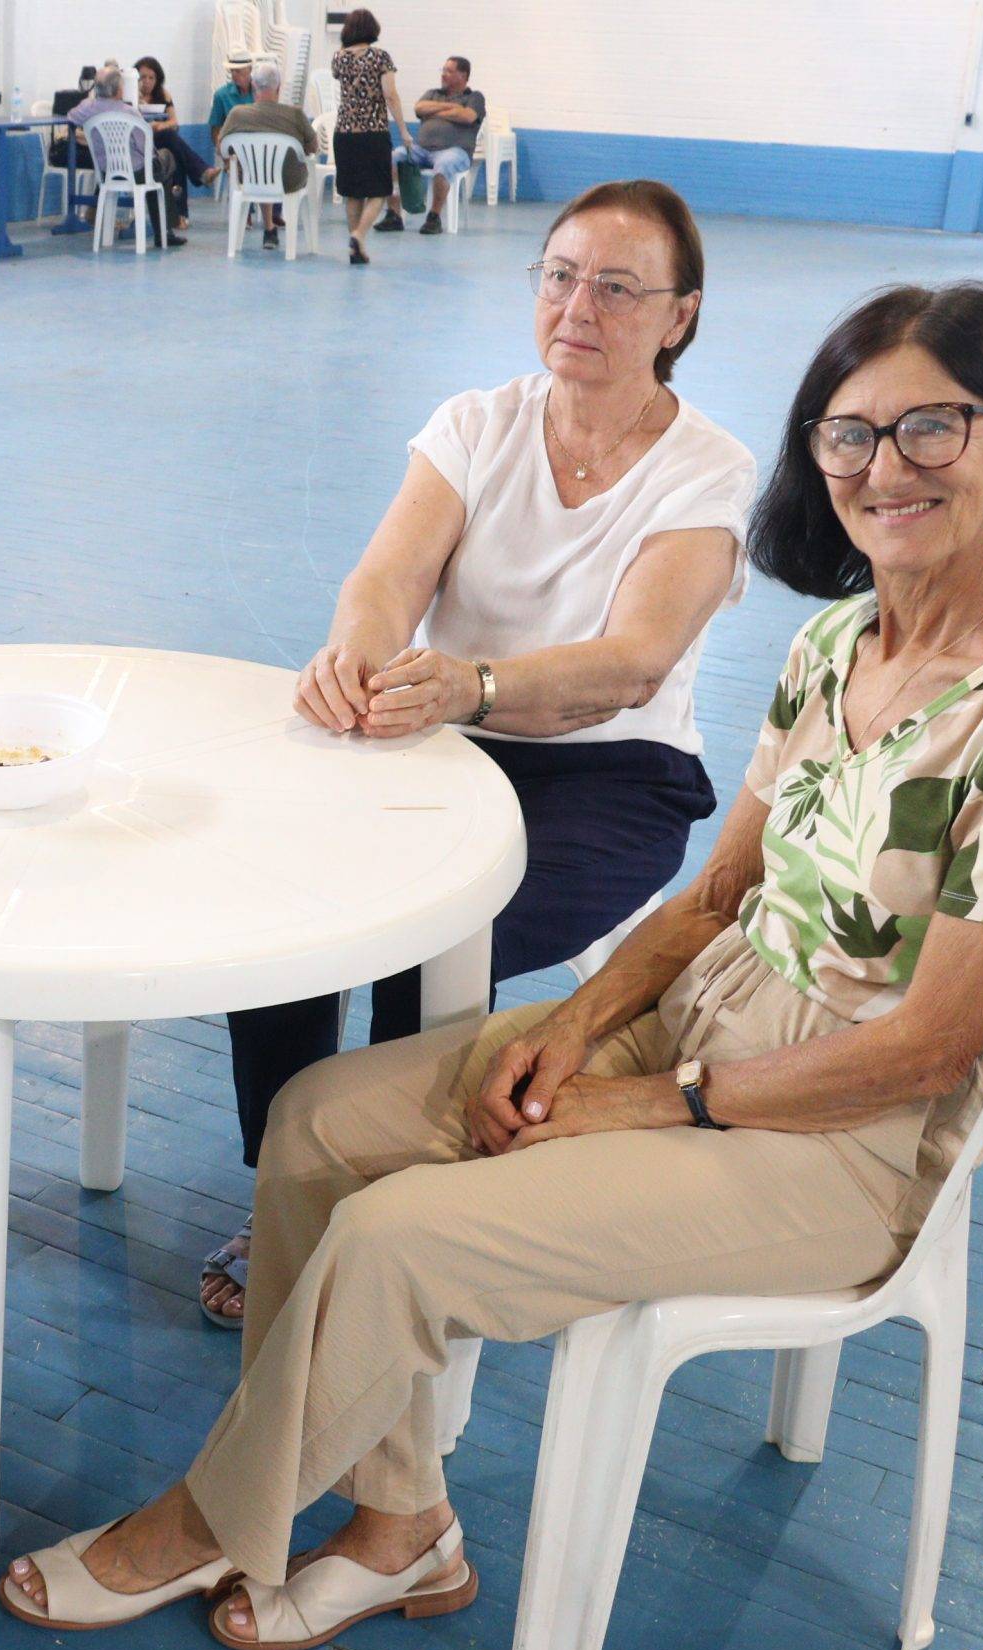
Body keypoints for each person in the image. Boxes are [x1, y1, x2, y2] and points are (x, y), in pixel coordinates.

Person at [1, 278, 983, 1650]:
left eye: (931, 430)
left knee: (394, 1233)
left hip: (842, 1131)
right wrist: (580, 1025)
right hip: (702, 1019)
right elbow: (722, 889)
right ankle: (400, 1523)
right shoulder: (839, 641)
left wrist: (646, 1099)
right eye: (849, 435)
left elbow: (928, 1049)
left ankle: (201, 1518)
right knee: (318, 1122)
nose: (885, 470)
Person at [202, 181, 755, 1328]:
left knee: (433, 938)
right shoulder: (477, 423)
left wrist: (477, 686)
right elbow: (386, 578)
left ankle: (400, 1196)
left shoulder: (706, 469)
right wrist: (355, 660)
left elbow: (636, 660)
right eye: (557, 275)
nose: (577, 306)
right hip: (443, 744)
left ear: (679, 316)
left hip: (610, 774)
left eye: (616, 287)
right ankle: (288, 1187)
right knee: (278, 914)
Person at [69, 66, 188, 248]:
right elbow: (145, 147)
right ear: (118, 90)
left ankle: (165, 228)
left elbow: (71, 117)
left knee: (157, 173)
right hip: (136, 172)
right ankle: (164, 231)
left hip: (107, 172)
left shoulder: (87, 108)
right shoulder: (129, 112)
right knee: (165, 161)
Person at [329, 9, 410, 264]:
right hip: (373, 133)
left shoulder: (338, 58)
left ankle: (357, 248)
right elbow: (390, 95)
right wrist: (404, 131)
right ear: (372, 29)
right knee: (379, 190)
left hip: (344, 133)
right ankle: (359, 236)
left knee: (353, 192)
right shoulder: (380, 58)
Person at [217, 58, 317, 250]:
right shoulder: (295, 114)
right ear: (278, 87)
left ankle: (269, 228)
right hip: (290, 181)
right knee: (274, 168)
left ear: (253, 86)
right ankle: (271, 229)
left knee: (261, 168)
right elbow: (313, 147)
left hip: (251, 179)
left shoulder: (237, 114)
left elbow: (222, 148)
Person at [392, 56, 486, 235]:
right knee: (394, 157)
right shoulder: (432, 93)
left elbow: (467, 116)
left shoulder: (475, 97)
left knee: (444, 163)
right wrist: (452, 109)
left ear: (463, 75)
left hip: (455, 152)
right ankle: (394, 215)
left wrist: (436, 111)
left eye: (449, 71)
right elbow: (419, 108)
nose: (443, 74)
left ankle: (433, 218)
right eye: (443, 70)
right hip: (421, 150)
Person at [135, 55, 220, 232]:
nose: (147, 82)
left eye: (151, 77)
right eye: (143, 77)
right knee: (171, 140)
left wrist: (159, 126)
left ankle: (180, 215)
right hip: (139, 145)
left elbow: (174, 122)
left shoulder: (163, 95)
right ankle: (201, 173)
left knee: (176, 156)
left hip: (159, 141)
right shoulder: (130, 96)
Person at [207, 55, 255, 145]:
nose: (234, 75)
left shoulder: (260, 92)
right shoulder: (221, 95)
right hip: (231, 147)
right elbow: (215, 129)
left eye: (237, 71)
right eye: (232, 71)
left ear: (250, 69)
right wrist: (222, 151)